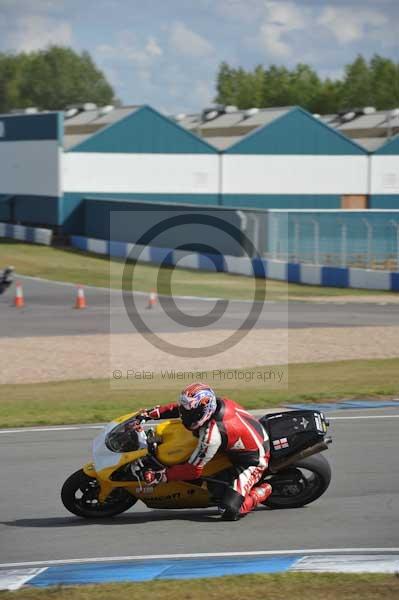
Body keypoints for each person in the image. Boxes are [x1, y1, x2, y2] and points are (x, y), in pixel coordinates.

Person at [140, 382, 272, 521]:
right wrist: (149, 414)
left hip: (253, 459)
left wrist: (161, 476)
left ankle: (262, 491)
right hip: (242, 441)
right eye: (186, 412)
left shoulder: (212, 435)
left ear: (204, 411)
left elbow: (193, 470)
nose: (185, 416)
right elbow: (178, 409)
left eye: (190, 413)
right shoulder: (210, 406)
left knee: (229, 510)